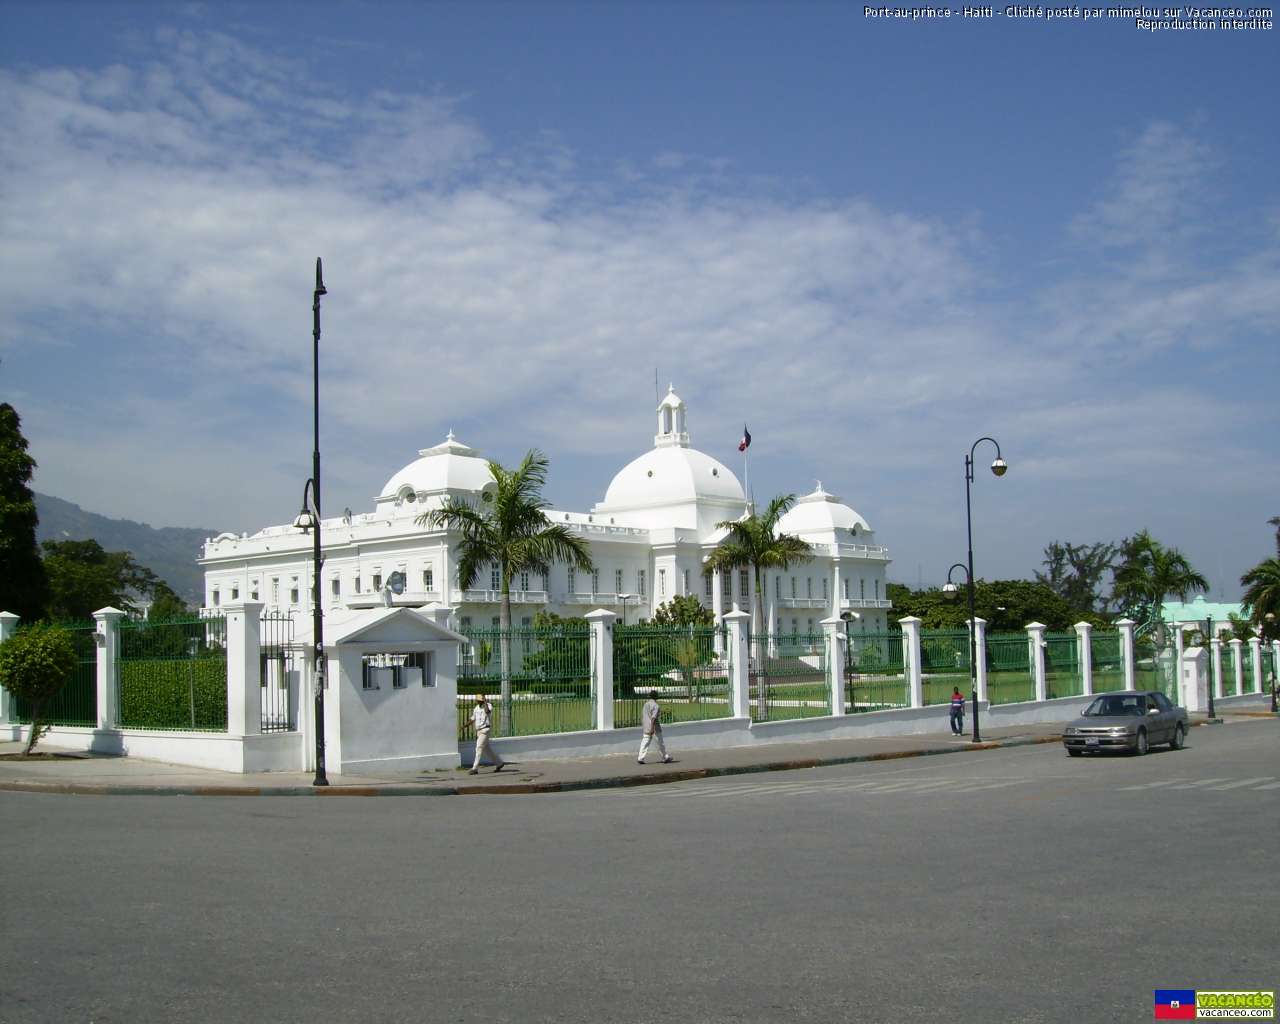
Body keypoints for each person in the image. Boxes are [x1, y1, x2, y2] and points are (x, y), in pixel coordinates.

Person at [469, 694, 505, 775]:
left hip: (485, 730)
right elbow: (473, 718)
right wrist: (465, 725)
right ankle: (499, 763)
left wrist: (485, 702)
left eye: (479, 700)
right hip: (479, 731)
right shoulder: (476, 708)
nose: (478, 701)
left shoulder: (488, 705)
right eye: (477, 700)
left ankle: (475, 768)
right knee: (487, 750)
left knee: (478, 747)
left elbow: (487, 711)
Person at [637, 690, 673, 765]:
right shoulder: (656, 706)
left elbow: (643, 716)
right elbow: (653, 718)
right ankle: (665, 757)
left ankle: (640, 758)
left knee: (644, 742)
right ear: (656, 697)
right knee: (660, 743)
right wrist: (652, 728)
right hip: (654, 727)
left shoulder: (645, 704)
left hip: (646, 726)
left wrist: (645, 725)